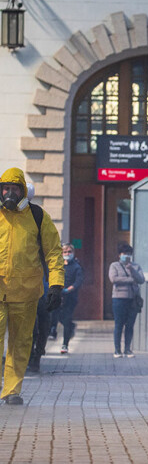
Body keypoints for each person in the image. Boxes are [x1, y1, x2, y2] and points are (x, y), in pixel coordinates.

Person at [0, 168, 64, 405]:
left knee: (20, 343)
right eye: (5, 188)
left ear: (22, 190)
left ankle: (12, 391)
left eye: (14, 189)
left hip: (26, 293)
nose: (9, 193)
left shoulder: (37, 216)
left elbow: (54, 253)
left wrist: (56, 285)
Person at [108, 243, 144, 358]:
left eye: (129, 254)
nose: (126, 256)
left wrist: (132, 270)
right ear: (119, 255)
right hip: (119, 298)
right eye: (124, 254)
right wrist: (130, 279)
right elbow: (114, 279)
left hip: (133, 299)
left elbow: (141, 279)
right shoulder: (114, 265)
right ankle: (117, 350)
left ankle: (127, 349)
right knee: (119, 324)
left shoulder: (136, 266)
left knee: (130, 325)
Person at [49, 243, 84, 354]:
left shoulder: (76, 267)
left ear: (73, 253)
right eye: (65, 252)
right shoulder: (59, 265)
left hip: (70, 297)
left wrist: (68, 289)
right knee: (56, 316)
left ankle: (65, 344)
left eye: (69, 252)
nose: (67, 254)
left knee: (67, 319)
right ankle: (54, 330)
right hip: (57, 296)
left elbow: (78, 281)